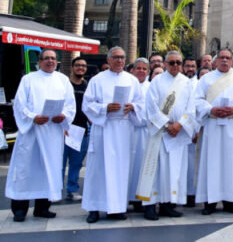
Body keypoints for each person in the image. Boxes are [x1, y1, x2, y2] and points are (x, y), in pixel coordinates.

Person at [6, 49, 75, 222]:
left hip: (52, 133)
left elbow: (70, 105)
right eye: (46, 58)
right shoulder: (28, 79)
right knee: (25, 170)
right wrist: (33, 118)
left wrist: (64, 116)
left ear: (57, 62)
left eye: (53, 58)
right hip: (32, 134)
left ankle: (42, 207)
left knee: (48, 170)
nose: (50, 61)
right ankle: (20, 209)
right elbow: (20, 105)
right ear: (40, 61)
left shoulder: (63, 80)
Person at [82, 47, 144, 223]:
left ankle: (116, 208)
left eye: (122, 57)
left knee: (120, 170)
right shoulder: (97, 80)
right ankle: (94, 208)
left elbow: (141, 103)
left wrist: (133, 107)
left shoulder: (132, 80)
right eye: (116, 57)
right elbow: (87, 105)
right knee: (98, 169)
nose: (119, 60)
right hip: (104, 128)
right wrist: (105, 108)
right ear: (108, 60)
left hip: (123, 130)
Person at [195, 47, 233, 215]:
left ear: (232, 60)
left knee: (231, 163)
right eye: (221, 57)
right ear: (215, 61)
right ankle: (210, 201)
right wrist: (210, 109)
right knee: (211, 163)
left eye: (228, 58)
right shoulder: (206, 79)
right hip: (212, 125)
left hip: (232, 125)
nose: (224, 60)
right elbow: (197, 99)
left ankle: (230, 201)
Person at [137, 50, 196, 221]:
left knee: (174, 171)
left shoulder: (187, 83)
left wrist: (179, 124)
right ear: (165, 64)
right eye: (172, 63)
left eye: (178, 62)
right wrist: (167, 125)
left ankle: (167, 204)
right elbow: (151, 106)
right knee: (154, 171)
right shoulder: (157, 82)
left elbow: (191, 108)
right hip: (160, 134)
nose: (175, 66)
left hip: (178, 134)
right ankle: (149, 205)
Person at [63, 56, 90, 203]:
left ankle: (72, 190)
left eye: (83, 66)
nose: (81, 68)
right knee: (59, 163)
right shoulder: (65, 85)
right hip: (65, 130)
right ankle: (55, 191)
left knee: (76, 164)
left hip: (82, 131)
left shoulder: (87, 86)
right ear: (72, 68)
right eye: (78, 65)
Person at [127, 57, 151, 212]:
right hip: (128, 131)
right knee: (128, 166)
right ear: (133, 70)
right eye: (138, 68)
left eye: (144, 69)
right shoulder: (128, 85)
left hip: (146, 133)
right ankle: (126, 197)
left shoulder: (152, 87)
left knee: (142, 167)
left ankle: (139, 199)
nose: (141, 71)